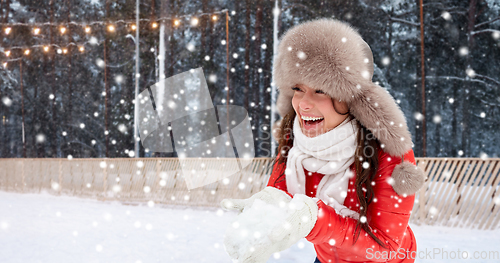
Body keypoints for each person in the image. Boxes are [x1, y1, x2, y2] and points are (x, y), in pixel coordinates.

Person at [221, 18, 425, 263]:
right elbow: (282, 191)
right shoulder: (295, 140)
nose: (304, 103)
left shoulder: (387, 153)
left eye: (320, 90)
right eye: (298, 88)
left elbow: (386, 247)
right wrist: (269, 206)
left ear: (349, 97)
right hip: (327, 257)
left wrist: (316, 218)